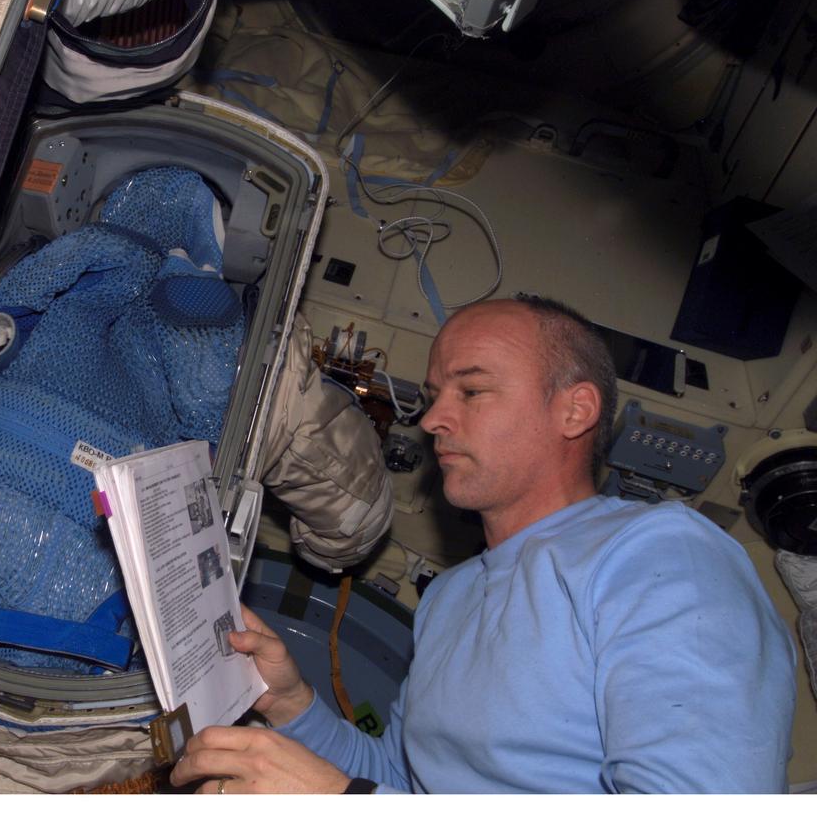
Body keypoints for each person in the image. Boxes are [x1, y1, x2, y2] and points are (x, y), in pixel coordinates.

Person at [169, 296, 797, 793]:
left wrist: (344, 803)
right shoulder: (452, 596)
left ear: (574, 411)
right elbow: (397, 779)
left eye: (471, 391)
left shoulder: (663, 555)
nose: (434, 418)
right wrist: (291, 703)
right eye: (437, 395)